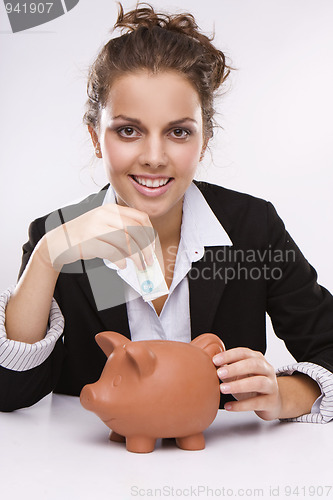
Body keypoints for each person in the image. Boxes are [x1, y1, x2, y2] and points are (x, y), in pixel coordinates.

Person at [1, 2, 332, 423]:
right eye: (128, 130)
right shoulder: (57, 235)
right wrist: (48, 256)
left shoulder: (252, 226)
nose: (154, 157)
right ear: (96, 138)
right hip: (94, 474)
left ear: (204, 139)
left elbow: (328, 343)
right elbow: (10, 391)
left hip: (230, 463)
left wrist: (287, 393)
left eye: (178, 132)